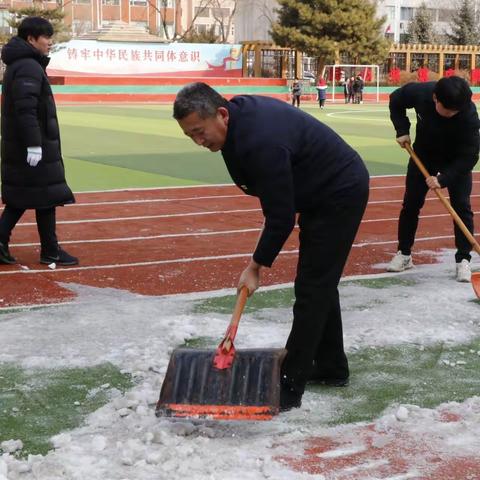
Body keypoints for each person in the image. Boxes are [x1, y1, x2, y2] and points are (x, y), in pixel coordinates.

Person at [173, 82, 369, 411]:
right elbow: (273, 201)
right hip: (314, 190)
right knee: (318, 281)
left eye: (199, 131)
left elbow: (280, 217)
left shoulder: (260, 140)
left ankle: (290, 386)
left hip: (339, 190)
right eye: (190, 135)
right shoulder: (236, 124)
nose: (198, 141)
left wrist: (255, 267)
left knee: (312, 288)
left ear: (221, 114)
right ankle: (333, 365)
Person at [0, 17, 78, 266]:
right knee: (36, 196)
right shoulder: (28, 67)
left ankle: (48, 250)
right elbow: (26, 110)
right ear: (31, 39)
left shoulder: (23, 65)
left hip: (26, 144)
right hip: (32, 145)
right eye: (46, 37)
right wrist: (34, 143)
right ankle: (49, 251)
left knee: (34, 196)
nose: (50, 42)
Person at [387, 76, 479, 282]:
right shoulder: (420, 92)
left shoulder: (469, 116)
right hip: (423, 156)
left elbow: (470, 155)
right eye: (447, 110)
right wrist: (401, 129)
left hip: (455, 162)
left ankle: (463, 259)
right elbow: (395, 100)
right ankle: (404, 254)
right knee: (411, 204)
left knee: (461, 207)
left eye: (455, 112)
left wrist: (443, 179)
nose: (451, 115)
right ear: (435, 98)